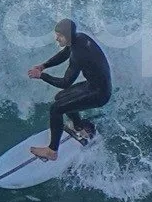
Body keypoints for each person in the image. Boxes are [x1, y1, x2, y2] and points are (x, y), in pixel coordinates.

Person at [26, 18, 110, 160]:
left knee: (56, 108)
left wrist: (41, 76)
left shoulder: (79, 55)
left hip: (99, 94)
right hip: (95, 86)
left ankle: (52, 151)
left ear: (68, 36)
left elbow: (65, 82)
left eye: (60, 35)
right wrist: (44, 65)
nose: (57, 38)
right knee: (60, 97)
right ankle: (79, 127)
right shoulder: (80, 38)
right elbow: (65, 53)